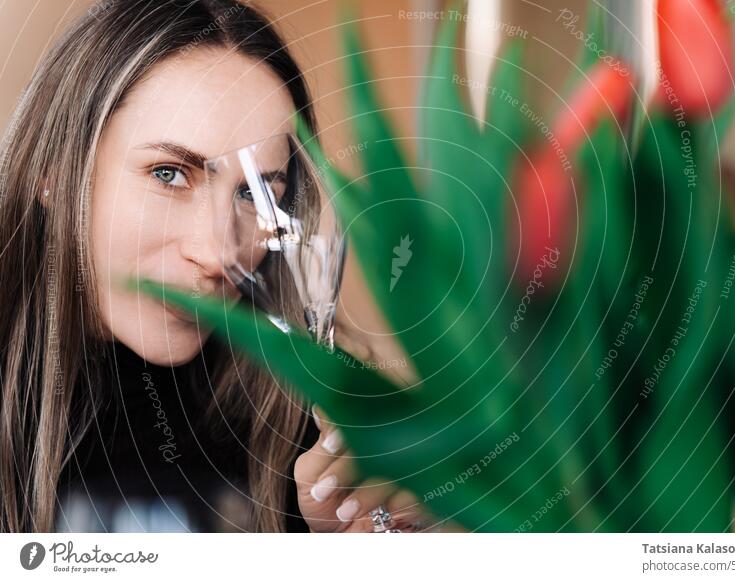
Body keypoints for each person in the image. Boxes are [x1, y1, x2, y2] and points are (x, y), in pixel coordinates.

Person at [0, 0, 441, 533]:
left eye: (257, 193)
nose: (218, 255)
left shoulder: (307, 415)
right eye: (168, 174)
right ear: (54, 170)